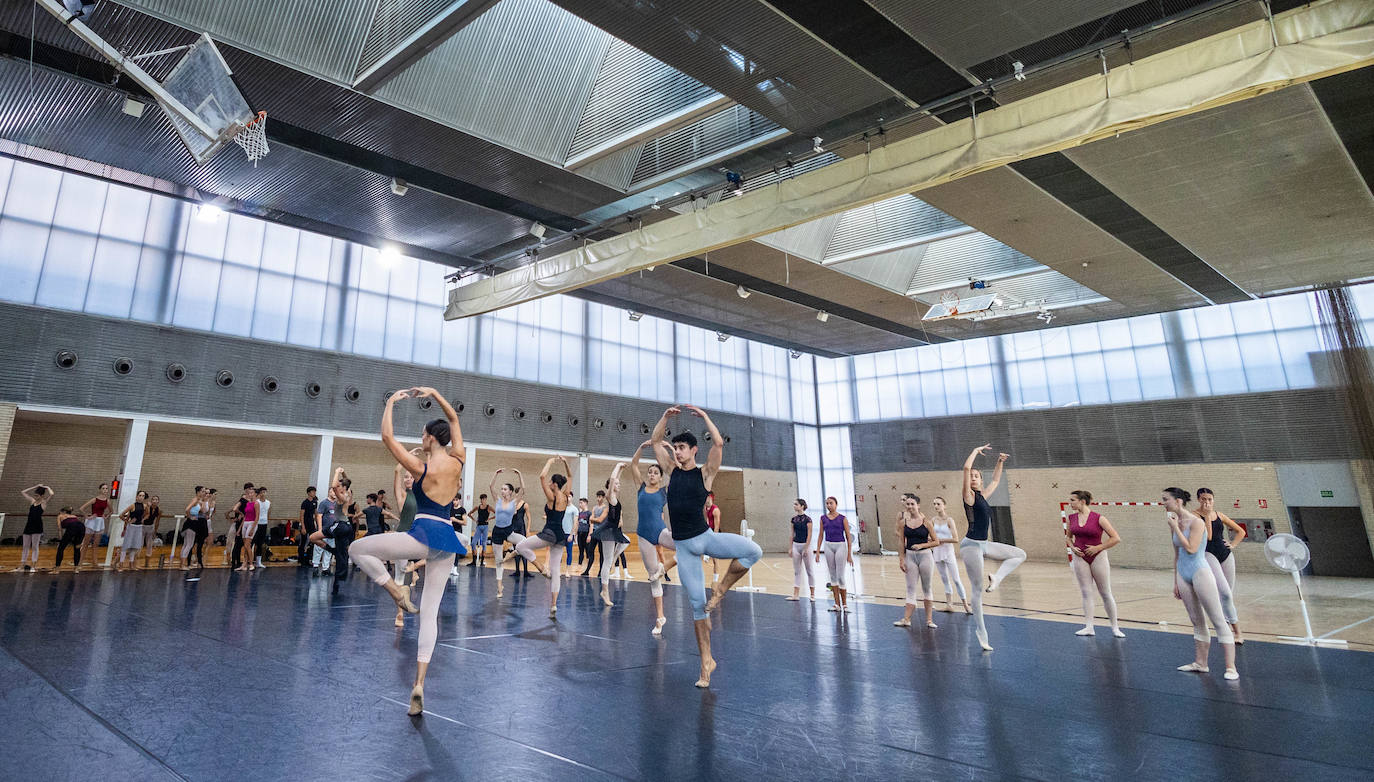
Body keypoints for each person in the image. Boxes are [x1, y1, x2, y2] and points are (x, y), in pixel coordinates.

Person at [347, 386, 469, 715]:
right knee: (429, 615)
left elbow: (387, 437)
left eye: (423, 432)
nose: (421, 435)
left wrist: (390, 402)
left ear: (430, 438)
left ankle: (395, 588)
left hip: (422, 534)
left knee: (357, 548)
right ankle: (419, 684)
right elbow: (454, 418)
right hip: (447, 542)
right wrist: (435, 393)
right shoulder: (459, 460)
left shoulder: (422, 468)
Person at [651, 404, 762, 688]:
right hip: (684, 547)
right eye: (675, 447)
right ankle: (706, 663)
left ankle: (722, 588)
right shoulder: (669, 470)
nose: (677, 451)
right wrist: (665, 417)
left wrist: (706, 418)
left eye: (682, 447)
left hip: (706, 538)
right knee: (698, 607)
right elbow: (654, 441)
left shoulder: (705, 474)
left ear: (693, 450)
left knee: (753, 551)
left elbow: (719, 443)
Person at [1165, 488, 1238, 680]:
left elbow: (1190, 548)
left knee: (1217, 619)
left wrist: (1176, 529)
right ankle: (1201, 663)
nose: (1164, 503)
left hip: (1200, 570)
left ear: (1178, 501)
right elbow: (1177, 554)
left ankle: (1231, 667)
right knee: (1196, 620)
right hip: (1183, 572)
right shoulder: (1174, 522)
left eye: (1166, 500)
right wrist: (1175, 581)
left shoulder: (1196, 522)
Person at [960, 445, 1026, 652]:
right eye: (971, 476)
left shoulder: (983, 496)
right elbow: (964, 469)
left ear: (981, 480)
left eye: (977, 476)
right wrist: (974, 451)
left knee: (1019, 554)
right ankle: (982, 634)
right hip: (971, 546)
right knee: (977, 590)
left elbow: (996, 480)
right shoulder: (969, 497)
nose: (973, 478)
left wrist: (1000, 462)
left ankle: (997, 578)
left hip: (984, 544)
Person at [514, 456, 575, 618]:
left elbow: (541, 476)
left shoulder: (552, 496)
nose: (548, 483)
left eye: (551, 482)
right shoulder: (566, 495)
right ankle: (553, 605)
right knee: (556, 571)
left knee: (520, 547)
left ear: (554, 485)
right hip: (561, 536)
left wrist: (550, 461)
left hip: (549, 533)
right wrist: (565, 463)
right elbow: (570, 476)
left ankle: (541, 568)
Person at [1065, 490, 1124, 638]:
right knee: (1086, 592)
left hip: (1098, 556)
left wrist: (1099, 547)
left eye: (1073, 500)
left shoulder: (1099, 518)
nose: (1070, 503)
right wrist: (1072, 548)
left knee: (1105, 592)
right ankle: (1089, 627)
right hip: (1080, 557)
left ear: (1082, 501)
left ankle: (1115, 627)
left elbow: (1115, 538)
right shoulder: (1071, 518)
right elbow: (1068, 538)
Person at [630, 439, 672, 634]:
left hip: (660, 531)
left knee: (686, 545)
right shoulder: (640, 488)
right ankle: (660, 618)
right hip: (644, 535)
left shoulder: (664, 492)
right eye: (650, 472)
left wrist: (669, 449)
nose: (652, 474)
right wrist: (642, 447)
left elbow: (676, 471)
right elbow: (634, 464)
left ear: (661, 478)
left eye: (656, 473)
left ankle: (666, 567)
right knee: (653, 578)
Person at [1197, 488, 1245, 644]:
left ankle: (1234, 630)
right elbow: (1209, 536)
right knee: (1223, 593)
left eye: (1210, 499)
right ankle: (1231, 629)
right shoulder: (1195, 515)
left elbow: (1240, 531)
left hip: (1225, 554)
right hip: (1208, 553)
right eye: (1204, 499)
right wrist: (1205, 517)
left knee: (1228, 594)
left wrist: (1233, 544)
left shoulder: (1220, 515)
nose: (1207, 502)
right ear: (1199, 500)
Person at [895, 494, 940, 629]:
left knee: (927, 587)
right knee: (910, 588)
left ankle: (929, 620)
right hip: (910, 556)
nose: (909, 507)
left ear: (918, 505)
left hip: (925, 556)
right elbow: (901, 542)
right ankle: (906, 619)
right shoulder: (904, 523)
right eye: (907, 504)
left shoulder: (926, 522)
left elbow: (936, 541)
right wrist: (901, 559)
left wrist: (922, 545)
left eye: (912, 504)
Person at [592, 467, 631, 607]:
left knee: (627, 541)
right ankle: (605, 592)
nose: (619, 485)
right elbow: (613, 479)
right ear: (611, 486)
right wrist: (618, 465)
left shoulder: (614, 496)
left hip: (613, 529)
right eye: (617, 484)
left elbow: (615, 480)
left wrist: (621, 470)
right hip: (608, 530)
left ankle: (615, 556)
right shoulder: (610, 496)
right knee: (607, 562)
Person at [928, 497, 969, 614]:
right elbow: (929, 536)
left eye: (938, 504)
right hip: (937, 552)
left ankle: (966, 605)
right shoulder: (933, 520)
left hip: (948, 552)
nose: (936, 506)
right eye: (934, 504)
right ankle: (949, 604)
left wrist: (940, 540)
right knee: (945, 579)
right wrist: (932, 540)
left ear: (944, 505)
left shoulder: (949, 520)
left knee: (956, 579)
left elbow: (955, 539)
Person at [487, 470, 524, 598]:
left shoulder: (514, 502)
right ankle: (499, 588)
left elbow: (523, 489)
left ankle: (511, 553)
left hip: (508, 531)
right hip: (497, 531)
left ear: (510, 491)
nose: (502, 491)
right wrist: (496, 474)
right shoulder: (497, 500)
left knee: (524, 541)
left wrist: (519, 474)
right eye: (501, 489)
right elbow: (491, 487)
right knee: (498, 561)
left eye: (504, 489)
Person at [814, 497, 853, 614]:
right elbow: (821, 535)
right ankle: (837, 604)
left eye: (831, 503)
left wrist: (849, 554)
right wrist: (817, 551)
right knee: (833, 576)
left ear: (836, 504)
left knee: (840, 576)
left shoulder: (843, 519)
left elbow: (848, 536)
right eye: (827, 503)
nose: (829, 505)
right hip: (828, 546)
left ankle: (845, 604)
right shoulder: (823, 518)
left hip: (840, 545)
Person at [16, 485, 52, 573]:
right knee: (25, 546)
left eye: (37, 496)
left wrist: (47, 487)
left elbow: (52, 494)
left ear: (42, 496)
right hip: (28, 525)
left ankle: (33, 566)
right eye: (35, 495)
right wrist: (35, 486)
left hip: (37, 526)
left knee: (35, 547)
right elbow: (23, 492)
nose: (35, 497)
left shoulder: (44, 503)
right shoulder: (32, 501)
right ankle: (22, 565)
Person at [76, 483, 111, 571]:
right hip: (92, 522)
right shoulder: (94, 499)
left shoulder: (107, 501)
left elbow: (111, 511)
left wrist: (105, 516)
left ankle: (95, 563)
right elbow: (81, 508)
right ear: (100, 489)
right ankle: (79, 563)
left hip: (100, 522)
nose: (105, 490)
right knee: (86, 543)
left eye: (106, 488)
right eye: (103, 488)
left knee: (96, 544)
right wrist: (88, 516)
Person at [787, 499, 815, 602]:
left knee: (809, 570)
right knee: (797, 571)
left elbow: (810, 534)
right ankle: (796, 594)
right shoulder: (793, 519)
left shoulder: (808, 520)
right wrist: (790, 548)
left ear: (802, 506)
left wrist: (806, 548)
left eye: (796, 504)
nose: (794, 506)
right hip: (796, 545)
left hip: (805, 545)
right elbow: (792, 534)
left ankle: (812, 594)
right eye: (794, 504)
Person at [117, 490, 150, 571]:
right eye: (140, 495)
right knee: (126, 546)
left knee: (134, 546)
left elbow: (148, 514)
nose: (141, 497)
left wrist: (143, 519)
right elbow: (121, 515)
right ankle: (121, 565)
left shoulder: (145, 506)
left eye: (143, 496)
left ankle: (131, 565)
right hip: (131, 527)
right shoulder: (132, 506)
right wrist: (127, 521)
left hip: (139, 527)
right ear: (137, 496)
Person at [582, 490, 607, 577]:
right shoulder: (594, 508)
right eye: (597, 497)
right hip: (595, 532)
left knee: (601, 553)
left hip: (602, 533)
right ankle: (587, 570)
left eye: (600, 497)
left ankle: (600, 571)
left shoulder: (605, 508)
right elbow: (591, 521)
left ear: (603, 498)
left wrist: (594, 519)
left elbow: (600, 519)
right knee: (590, 550)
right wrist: (590, 533)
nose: (598, 498)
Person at [53, 506, 84, 572]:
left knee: (60, 548)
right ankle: (76, 568)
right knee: (77, 548)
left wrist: (60, 539)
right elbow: (75, 526)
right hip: (81, 527)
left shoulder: (60, 516)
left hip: (73, 528)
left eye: (60, 512)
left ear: (63, 512)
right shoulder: (74, 516)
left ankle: (57, 568)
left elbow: (59, 528)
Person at [236, 487, 259, 572]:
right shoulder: (248, 503)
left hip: (252, 523)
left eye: (251, 493)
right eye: (249, 493)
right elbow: (245, 517)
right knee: (245, 546)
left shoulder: (256, 503)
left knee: (247, 545)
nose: (250, 494)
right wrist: (239, 529)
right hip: (245, 523)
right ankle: (244, 564)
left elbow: (257, 517)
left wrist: (252, 529)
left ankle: (251, 563)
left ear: (255, 494)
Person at [297, 486, 319, 567]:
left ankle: (308, 559)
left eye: (315, 492)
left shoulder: (315, 502)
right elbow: (301, 515)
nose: (314, 493)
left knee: (312, 542)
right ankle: (301, 559)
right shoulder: (305, 503)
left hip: (311, 525)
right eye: (313, 492)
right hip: (305, 524)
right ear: (309, 493)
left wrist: (318, 525)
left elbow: (316, 514)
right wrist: (303, 527)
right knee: (303, 542)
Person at [141, 495, 163, 568]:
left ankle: (147, 563)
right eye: (153, 499)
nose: (155, 501)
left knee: (149, 545)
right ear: (151, 500)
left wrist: (155, 532)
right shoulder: (147, 507)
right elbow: (143, 515)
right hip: (143, 527)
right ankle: (133, 561)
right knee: (139, 544)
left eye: (157, 500)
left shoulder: (159, 510)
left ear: (158, 501)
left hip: (151, 527)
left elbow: (157, 522)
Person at [252, 487, 272, 568]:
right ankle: (248, 561)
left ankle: (258, 562)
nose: (263, 493)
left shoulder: (268, 503)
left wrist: (267, 521)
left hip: (264, 524)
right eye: (262, 492)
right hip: (257, 523)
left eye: (265, 492)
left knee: (260, 543)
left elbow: (268, 513)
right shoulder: (256, 502)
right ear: (259, 493)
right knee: (252, 542)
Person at [469, 494, 490, 567]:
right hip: (479, 526)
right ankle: (474, 561)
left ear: (486, 499)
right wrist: (475, 520)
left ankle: (482, 561)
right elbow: (469, 514)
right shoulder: (478, 507)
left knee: (484, 544)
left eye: (483, 499)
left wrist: (489, 519)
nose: (482, 500)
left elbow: (496, 514)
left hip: (485, 527)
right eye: (481, 499)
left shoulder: (488, 507)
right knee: (473, 543)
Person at [574, 497, 592, 571]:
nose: (580, 504)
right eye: (579, 503)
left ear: (585, 503)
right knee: (580, 550)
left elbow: (591, 525)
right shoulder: (579, 513)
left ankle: (588, 566)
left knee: (587, 550)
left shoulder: (589, 513)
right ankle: (579, 565)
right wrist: (575, 534)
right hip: (580, 533)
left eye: (581, 503)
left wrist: (589, 535)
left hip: (586, 533)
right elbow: (577, 524)